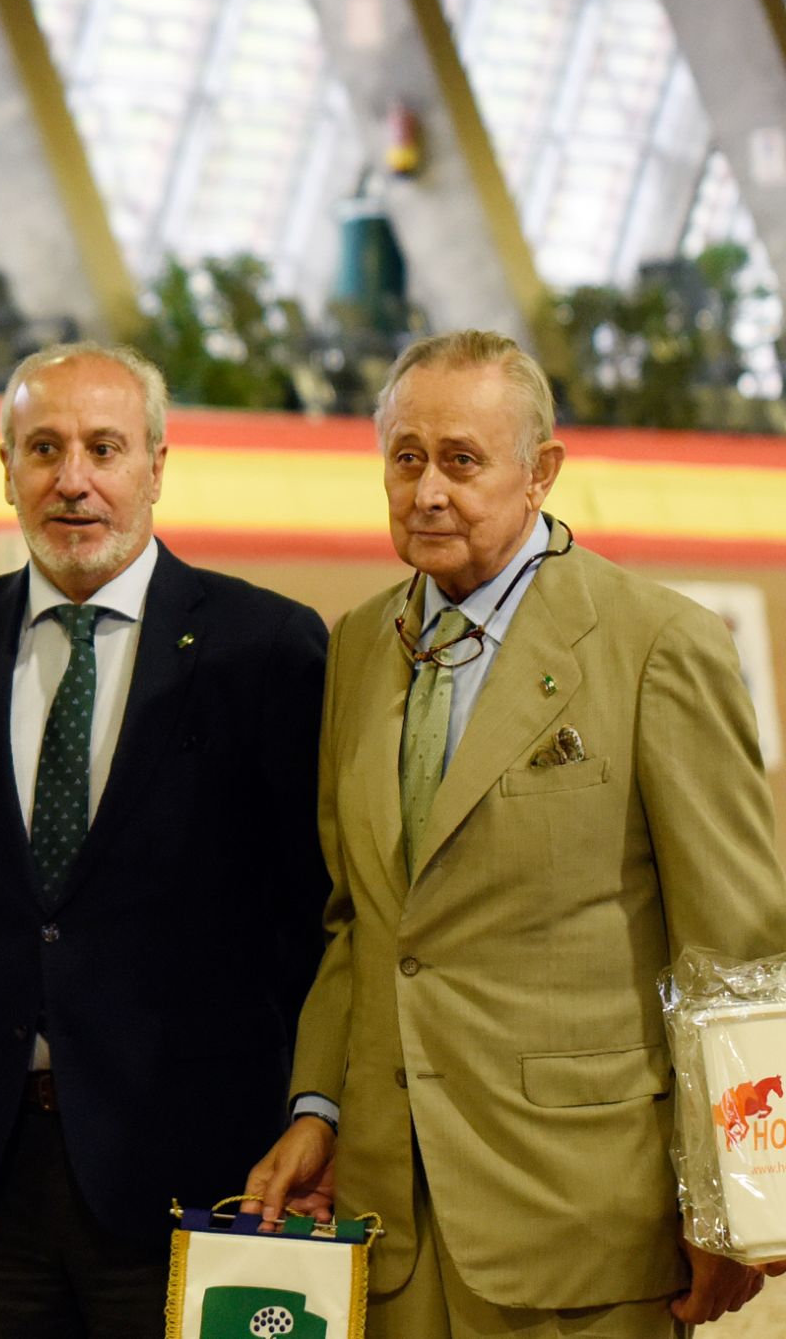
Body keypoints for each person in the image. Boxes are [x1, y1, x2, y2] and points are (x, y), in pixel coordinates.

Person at [247, 329, 786, 1337]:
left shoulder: (656, 646)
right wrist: (316, 1107)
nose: (427, 491)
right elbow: (355, 922)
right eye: (405, 458)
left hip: (588, 1220)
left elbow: (737, 950)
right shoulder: (358, 645)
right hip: (391, 1218)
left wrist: (742, 1203)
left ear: (540, 471)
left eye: (461, 459)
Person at [0, 342, 329, 1337]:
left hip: (199, 1164)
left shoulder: (268, 650)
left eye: (103, 447)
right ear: (5, 469)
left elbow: (306, 906)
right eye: (43, 447)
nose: (71, 478)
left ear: (156, 465)